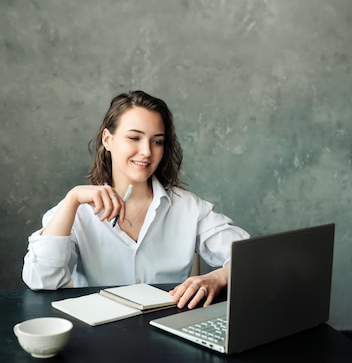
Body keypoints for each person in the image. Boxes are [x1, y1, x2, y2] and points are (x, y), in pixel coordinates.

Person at [22, 90, 249, 309]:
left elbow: (254, 259)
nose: (147, 152)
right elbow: (41, 280)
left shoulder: (188, 208)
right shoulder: (75, 212)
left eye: (157, 141)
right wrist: (72, 199)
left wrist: (217, 277)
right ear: (107, 140)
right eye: (134, 138)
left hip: (168, 334)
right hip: (98, 338)